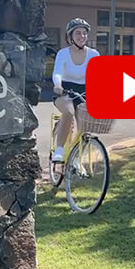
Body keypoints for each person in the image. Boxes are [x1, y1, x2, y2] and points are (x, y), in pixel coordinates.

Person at [51, 18, 99, 162]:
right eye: (78, 33)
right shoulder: (63, 53)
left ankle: (76, 159)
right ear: (70, 36)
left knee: (86, 125)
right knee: (69, 112)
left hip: (85, 91)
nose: (82, 36)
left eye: (84, 33)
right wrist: (58, 85)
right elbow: (57, 72)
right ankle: (59, 150)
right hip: (65, 90)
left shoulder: (94, 54)